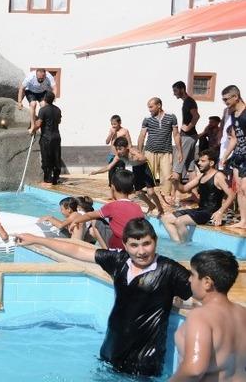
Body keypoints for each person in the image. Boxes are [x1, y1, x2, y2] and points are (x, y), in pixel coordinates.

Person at [16, 218, 191, 377]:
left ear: (155, 241)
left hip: (144, 357)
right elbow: (77, 250)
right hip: (112, 347)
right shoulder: (119, 261)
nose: (141, 251)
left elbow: (203, 291)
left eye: (146, 244)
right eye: (134, 245)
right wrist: (38, 240)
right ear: (125, 244)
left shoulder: (169, 270)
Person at [170, 249, 246, 382]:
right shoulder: (242, 313)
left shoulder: (200, 317)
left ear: (207, 282)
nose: (189, 279)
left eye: (192, 274)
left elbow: (194, 369)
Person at [162, 149, 235, 242]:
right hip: (200, 210)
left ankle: (184, 246)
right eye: (199, 161)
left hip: (210, 212)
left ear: (211, 163)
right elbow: (184, 189)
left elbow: (232, 195)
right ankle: (179, 244)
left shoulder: (218, 176)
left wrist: (220, 212)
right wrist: (175, 182)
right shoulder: (201, 176)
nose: (199, 163)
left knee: (180, 221)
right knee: (165, 218)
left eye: (203, 161)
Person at [67, 169, 145, 250]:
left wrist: (76, 221)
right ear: (131, 190)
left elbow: (90, 215)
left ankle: (107, 252)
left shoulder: (112, 206)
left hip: (119, 245)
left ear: (112, 187)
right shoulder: (137, 207)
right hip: (135, 245)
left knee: (95, 220)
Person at [90, 136, 166, 217]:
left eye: (120, 149)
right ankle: (151, 205)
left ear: (126, 147)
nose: (118, 151)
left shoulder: (132, 152)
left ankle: (160, 209)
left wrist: (137, 159)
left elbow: (144, 158)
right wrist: (96, 172)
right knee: (139, 193)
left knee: (151, 192)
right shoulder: (119, 156)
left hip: (145, 168)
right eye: (117, 149)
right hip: (136, 169)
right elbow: (108, 167)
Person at [137, 97, 182, 202]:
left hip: (166, 152)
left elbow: (176, 135)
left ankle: (165, 195)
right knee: (148, 175)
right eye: (149, 107)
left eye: (151, 107)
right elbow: (142, 135)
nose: (149, 109)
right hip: (150, 151)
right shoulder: (147, 118)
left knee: (167, 175)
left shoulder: (171, 117)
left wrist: (180, 151)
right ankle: (147, 194)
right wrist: (139, 152)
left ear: (159, 105)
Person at [220, 84, 246, 229]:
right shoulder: (232, 113)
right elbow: (234, 138)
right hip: (238, 155)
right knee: (240, 190)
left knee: (245, 187)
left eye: (226, 99)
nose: (225, 102)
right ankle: (243, 221)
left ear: (235, 96)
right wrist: (225, 156)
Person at [173, 81, 201, 185]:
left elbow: (196, 116)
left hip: (188, 137)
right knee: (190, 167)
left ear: (182, 89)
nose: (174, 93)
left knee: (178, 164)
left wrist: (188, 128)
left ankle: (174, 194)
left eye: (175, 90)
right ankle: (193, 193)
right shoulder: (187, 102)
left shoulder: (189, 101)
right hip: (191, 137)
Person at [32, 91, 62, 184]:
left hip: (46, 137)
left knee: (46, 157)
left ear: (45, 99)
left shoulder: (43, 110)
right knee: (56, 157)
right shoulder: (58, 109)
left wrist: (33, 128)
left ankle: (47, 178)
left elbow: (39, 123)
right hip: (56, 137)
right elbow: (59, 121)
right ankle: (56, 177)